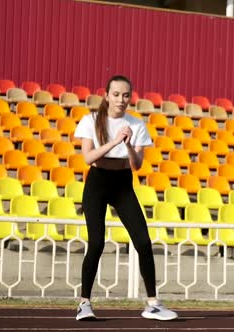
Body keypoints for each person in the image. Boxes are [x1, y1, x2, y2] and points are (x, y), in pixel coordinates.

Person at [73, 75, 177, 321]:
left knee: (143, 241)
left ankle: (153, 304)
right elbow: (88, 158)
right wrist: (114, 141)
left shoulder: (137, 125)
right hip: (97, 184)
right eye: (116, 94)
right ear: (107, 95)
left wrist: (129, 144)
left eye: (126, 95)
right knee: (96, 243)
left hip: (123, 185)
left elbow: (137, 165)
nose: (121, 99)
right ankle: (84, 303)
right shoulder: (91, 121)